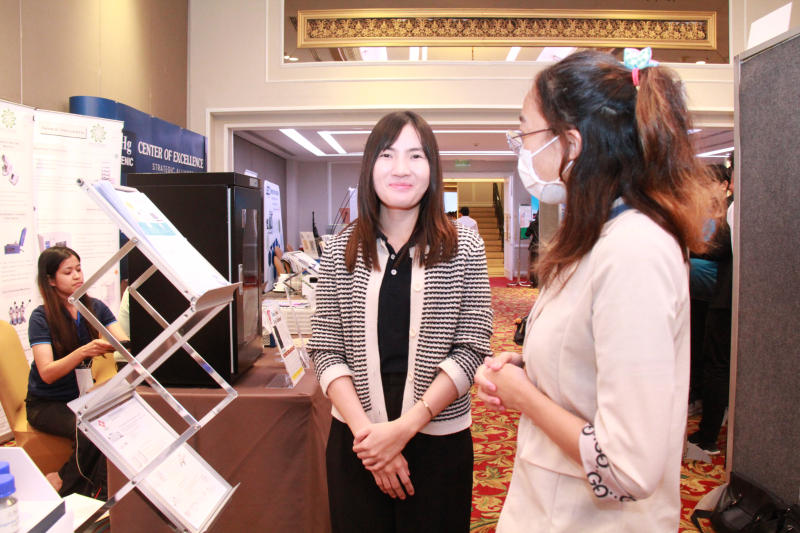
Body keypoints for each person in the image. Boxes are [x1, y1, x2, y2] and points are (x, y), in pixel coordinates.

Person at [474, 49, 724, 532]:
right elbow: (595, 352)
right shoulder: (598, 235)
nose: (522, 149)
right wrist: (531, 366)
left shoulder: (634, 248)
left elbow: (626, 467)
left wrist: (524, 396)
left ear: (571, 143)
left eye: (525, 134)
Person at [308, 111, 493, 533]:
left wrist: (405, 429)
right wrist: (371, 440)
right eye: (388, 155)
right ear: (369, 165)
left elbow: (472, 345)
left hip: (438, 431)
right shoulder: (340, 248)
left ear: (432, 167)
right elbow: (325, 348)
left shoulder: (464, 245)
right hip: (357, 437)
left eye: (416, 155)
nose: (401, 169)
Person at [27, 246, 129, 499]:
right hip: (46, 404)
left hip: (82, 399)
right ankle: (71, 490)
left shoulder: (95, 308)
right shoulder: (41, 318)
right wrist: (83, 351)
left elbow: (124, 344)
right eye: (67, 272)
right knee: (93, 430)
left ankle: (71, 482)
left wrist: (119, 346)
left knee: (114, 423)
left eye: (79, 269)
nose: (77, 276)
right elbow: (47, 373)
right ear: (50, 280)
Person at [688, 155, 735, 455]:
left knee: (716, 365)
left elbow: (716, 249)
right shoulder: (706, 211)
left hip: (720, 298)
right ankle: (702, 403)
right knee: (701, 354)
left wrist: (688, 246)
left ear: (726, 183)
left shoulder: (732, 212)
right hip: (702, 295)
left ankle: (709, 435)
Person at [524, 213, 540, 287]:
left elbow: (527, 234)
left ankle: (535, 283)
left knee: (533, 265)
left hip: (534, 247)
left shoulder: (533, 224)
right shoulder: (546, 223)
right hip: (544, 247)